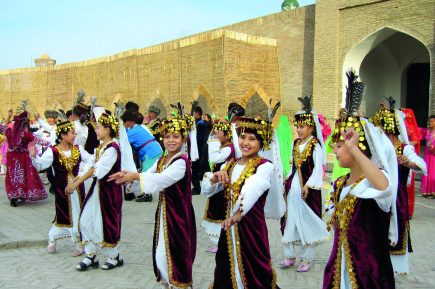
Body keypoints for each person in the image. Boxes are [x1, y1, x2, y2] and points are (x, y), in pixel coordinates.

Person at [323, 71, 395, 289]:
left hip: (369, 272)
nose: (335, 151)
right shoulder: (339, 183)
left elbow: (384, 186)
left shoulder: (374, 183)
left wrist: (353, 148)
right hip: (340, 264)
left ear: (359, 147)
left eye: (340, 145)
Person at [109, 111, 196, 288]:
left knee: (175, 254)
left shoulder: (181, 162)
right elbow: (148, 174)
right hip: (166, 213)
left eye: (176, 137)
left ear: (183, 139)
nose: (171, 140)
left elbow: (160, 180)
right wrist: (129, 176)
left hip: (179, 215)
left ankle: (180, 285)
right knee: (161, 255)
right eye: (167, 136)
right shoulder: (163, 159)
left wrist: (134, 176)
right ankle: (170, 284)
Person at [203, 116, 280, 289]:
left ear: (262, 143)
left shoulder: (264, 166)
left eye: (252, 139)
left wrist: (238, 213)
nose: (246, 143)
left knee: (255, 271)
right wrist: (214, 178)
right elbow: (207, 190)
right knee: (225, 268)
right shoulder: (229, 165)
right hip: (228, 229)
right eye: (243, 137)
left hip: (252, 230)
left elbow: (255, 186)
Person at [373, 99, 427, 274]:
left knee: (395, 228)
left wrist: (409, 163)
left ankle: (394, 269)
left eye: (380, 126)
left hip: (397, 198)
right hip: (379, 197)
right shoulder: (377, 149)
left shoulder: (403, 148)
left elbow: (421, 165)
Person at [65, 113, 124, 271]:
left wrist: (75, 183)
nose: (96, 130)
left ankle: (114, 256)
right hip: (97, 190)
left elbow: (96, 170)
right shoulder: (100, 148)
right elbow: (88, 165)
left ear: (107, 129)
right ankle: (90, 255)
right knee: (86, 220)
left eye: (98, 128)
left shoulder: (113, 149)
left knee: (104, 224)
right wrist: (75, 182)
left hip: (109, 193)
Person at [280, 96, 330, 272]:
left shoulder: (315, 145)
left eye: (301, 127)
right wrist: (287, 178)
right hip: (293, 189)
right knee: (289, 220)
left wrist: (308, 185)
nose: (298, 130)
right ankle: (289, 255)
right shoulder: (295, 143)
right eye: (297, 127)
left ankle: (307, 258)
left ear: (310, 127)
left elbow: (318, 169)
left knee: (306, 221)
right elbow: (292, 165)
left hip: (307, 191)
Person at [30, 120, 92, 256]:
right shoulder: (53, 151)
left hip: (77, 189)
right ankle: (55, 239)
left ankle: (77, 243)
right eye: (72, 133)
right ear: (63, 135)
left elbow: (91, 160)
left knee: (77, 214)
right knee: (64, 215)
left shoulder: (78, 149)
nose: (75, 135)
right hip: (62, 191)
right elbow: (40, 165)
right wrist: (33, 157)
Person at [2, 105, 48, 207]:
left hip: (12, 158)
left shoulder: (10, 133)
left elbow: (3, 128)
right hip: (23, 158)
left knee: (13, 175)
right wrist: (52, 144)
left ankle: (14, 196)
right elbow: (41, 141)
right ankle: (21, 193)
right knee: (23, 175)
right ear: (24, 125)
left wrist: (8, 117)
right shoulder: (26, 135)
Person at [201, 119, 235, 254]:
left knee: (220, 212)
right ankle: (218, 241)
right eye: (215, 132)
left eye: (219, 133)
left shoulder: (228, 148)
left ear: (227, 136)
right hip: (216, 184)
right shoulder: (223, 146)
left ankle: (223, 241)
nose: (215, 135)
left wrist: (213, 142)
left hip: (223, 185)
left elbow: (215, 158)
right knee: (215, 211)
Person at [121, 109, 163, 202]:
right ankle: (146, 193)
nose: (125, 125)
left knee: (145, 173)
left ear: (130, 122)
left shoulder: (132, 132)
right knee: (145, 172)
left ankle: (147, 195)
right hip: (154, 150)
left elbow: (122, 142)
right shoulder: (139, 127)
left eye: (126, 122)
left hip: (151, 152)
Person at [191, 106, 209, 195]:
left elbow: (198, 138)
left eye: (193, 113)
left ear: (197, 114)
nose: (192, 115)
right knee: (196, 168)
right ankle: (197, 187)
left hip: (199, 149)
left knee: (195, 168)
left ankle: (197, 188)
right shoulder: (198, 123)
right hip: (199, 149)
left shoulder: (200, 124)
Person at [420, 115, 435, 198]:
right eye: (429, 121)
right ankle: (427, 191)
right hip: (427, 153)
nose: (430, 122)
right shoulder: (427, 131)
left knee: (433, 172)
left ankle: (433, 191)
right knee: (427, 171)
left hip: (434, 154)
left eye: (432, 121)